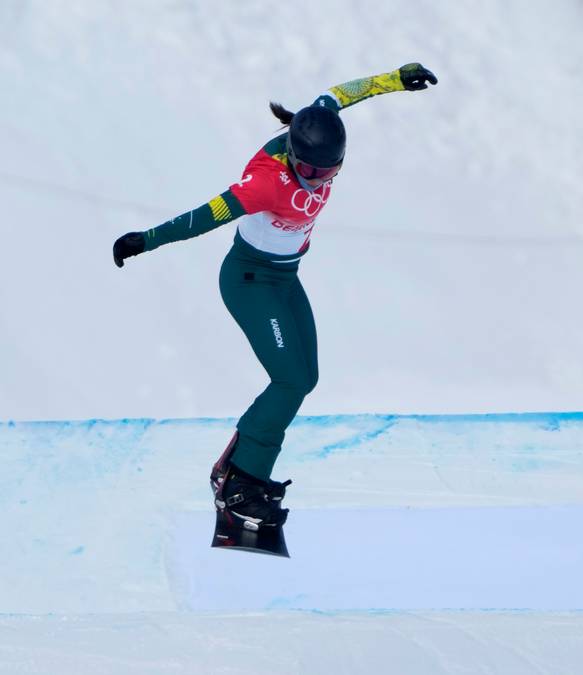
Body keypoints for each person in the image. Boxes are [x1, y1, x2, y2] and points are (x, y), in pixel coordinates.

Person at [113, 63, 438, 533]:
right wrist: (144, 240)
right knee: (287, 380)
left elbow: (342, 92)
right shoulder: (266, 181)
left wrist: (397, 78)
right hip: (249, 281)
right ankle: (241, 482)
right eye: (307, 170)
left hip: (286, 277)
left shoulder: (317, 131)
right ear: (292, 153)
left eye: (328, 172)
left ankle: (243, 468)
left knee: (305, 377)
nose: (316, 180)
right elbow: (204, 217)